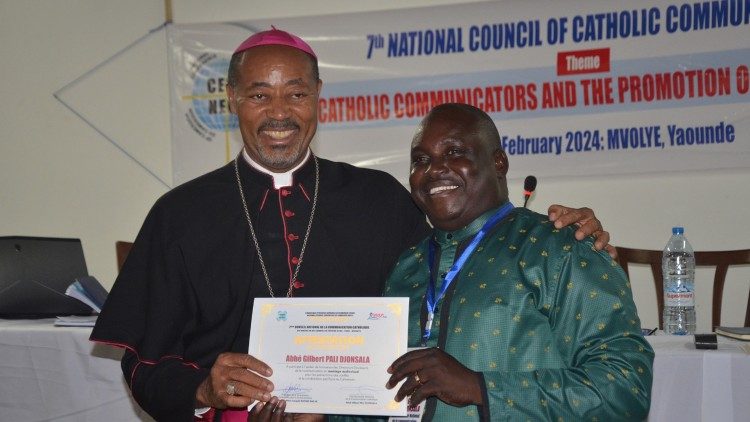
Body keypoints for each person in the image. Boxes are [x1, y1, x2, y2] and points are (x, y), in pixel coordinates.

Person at [91, 29, 614, 422]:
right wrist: (204, 390)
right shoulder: (179, 214)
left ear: (319, 96)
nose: (279, 112)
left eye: (296, 93)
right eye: (259, 95)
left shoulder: (380, 198)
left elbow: (469, 257)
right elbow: (141, 368)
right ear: (233, 101)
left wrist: (567, 229)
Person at [381, 103, 653, 421]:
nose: (434, 169)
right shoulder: (406, 267)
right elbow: (379, 395)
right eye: (421, 160)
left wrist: (480, 388)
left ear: (498, 162)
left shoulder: (562, 248)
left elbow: (625, 387)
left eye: (454, 152)